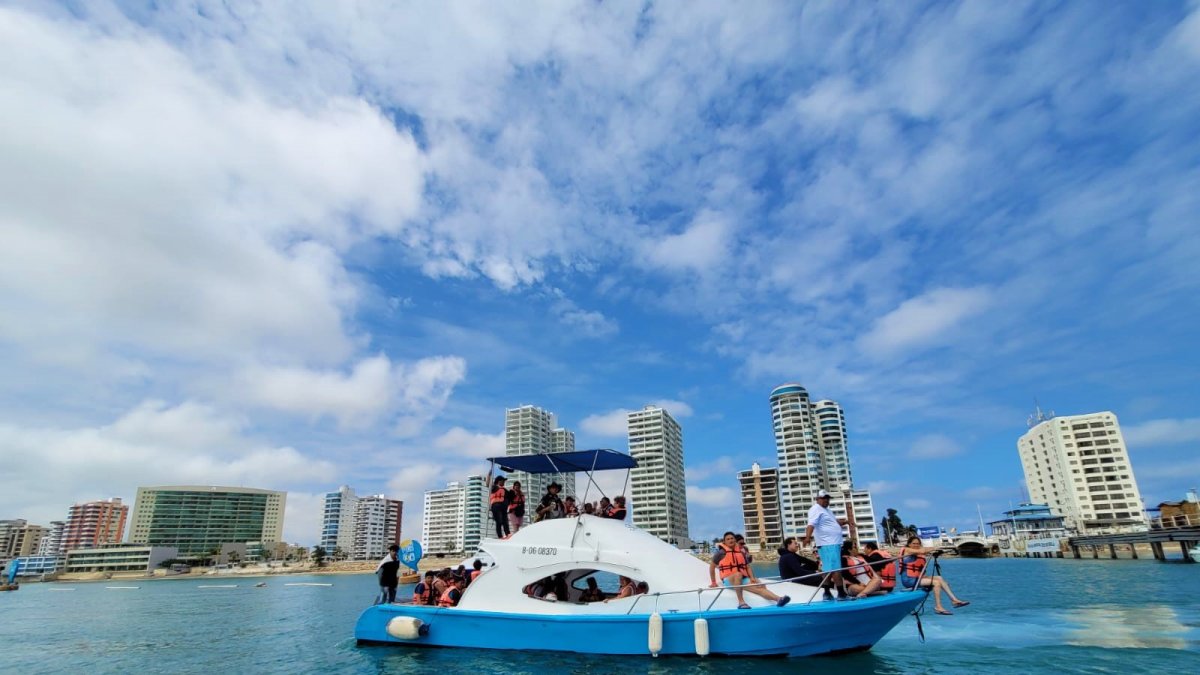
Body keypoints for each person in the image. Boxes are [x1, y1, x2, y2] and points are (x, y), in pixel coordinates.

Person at [709, 531, 790, 609]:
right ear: (724, 542)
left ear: (735, 540)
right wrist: (713, 582)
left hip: (742, 579)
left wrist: (752, 578)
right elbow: (712, 567)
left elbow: (747, 567)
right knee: (738, 574)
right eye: (728, 539)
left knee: (759, 587)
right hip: (728, 580)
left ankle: (778, 599)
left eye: (732, 538)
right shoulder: (721, 553)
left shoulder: (740, 552)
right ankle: (741, 602)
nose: (730, 540)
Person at [898, 536, 969, 615]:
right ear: (909, 544)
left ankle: (954, 600)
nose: (916, 545)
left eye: (918, 544)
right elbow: (922, 551)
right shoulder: (907, 550)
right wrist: (934, 548)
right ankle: (938, 607)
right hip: (908, 580)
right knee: (936, 583)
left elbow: (921, 569)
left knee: (939, 578)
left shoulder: (918, 553)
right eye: (913, 543)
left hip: (917, 578)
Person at [802, 490, 848, 599]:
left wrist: (846, 522)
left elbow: (835, 522)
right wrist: (807, 537)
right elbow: (811, 524)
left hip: (832, 543)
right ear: (817, 499)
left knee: (828, 568)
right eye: (823, 498)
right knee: (835, 569)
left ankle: (827, 593)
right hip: (828, 543)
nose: (826, 500)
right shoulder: (815, 509)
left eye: (827, 498)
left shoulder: (827, 510)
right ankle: (841, 594)